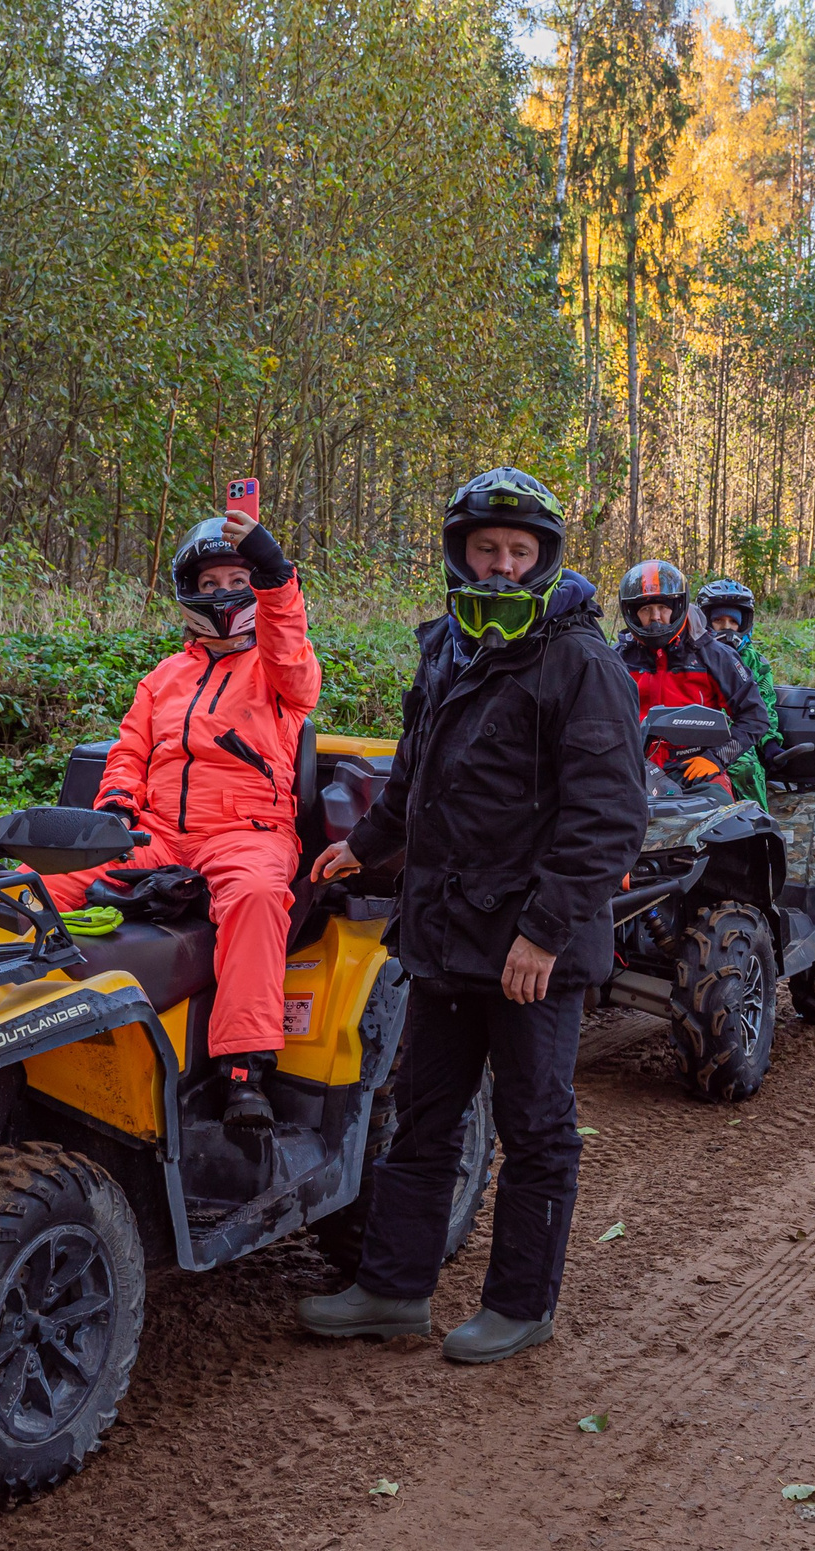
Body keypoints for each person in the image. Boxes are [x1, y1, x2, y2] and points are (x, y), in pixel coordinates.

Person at [294, 468, 644, 1365]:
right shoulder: (448, 646)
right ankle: (392, 1288)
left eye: (517, 553)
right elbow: (416, 767)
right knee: (422, 1112)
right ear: (460, 553)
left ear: (544, 560)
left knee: (536, 1126)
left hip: (532, 943)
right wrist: (367, 842)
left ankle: (522, 1305)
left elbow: (607, 818)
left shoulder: (581, 660)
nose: (499, 567)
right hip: (446, 927)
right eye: (484, 550)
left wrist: (545, 929)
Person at [43, 506, 319, 1129]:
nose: (223, 595)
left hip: (249, 832)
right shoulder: (163, 677)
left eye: (236, 582)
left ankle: (245, 1071)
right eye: (210, 585)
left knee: (254, 897)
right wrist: (115, 803)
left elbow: (289, 647)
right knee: (35, 882)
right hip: (159, 832)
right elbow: (130, 752)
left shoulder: (281, 668)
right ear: (188, 595)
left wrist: (276, 574)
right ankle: (3, 1012)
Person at [613, 562, 769, 805]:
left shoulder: (714, 656)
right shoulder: (618, 659)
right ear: (632, 613)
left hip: (695, 768)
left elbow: (755, 716)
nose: (655, 617)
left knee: (728, 821)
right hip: (630, 768)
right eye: (646, 609)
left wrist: (716, 758)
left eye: (663, 607)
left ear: (677, 607)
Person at [698, 578, 784, 808]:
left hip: (739, 739)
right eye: (718, 620)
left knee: (746, 770)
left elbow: (765, 707)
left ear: (743, 624)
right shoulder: (692, 656)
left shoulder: (754, 661)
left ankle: (758, 833)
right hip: (694, 737)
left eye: (732, 622)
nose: (726, 627)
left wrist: (770, 744)